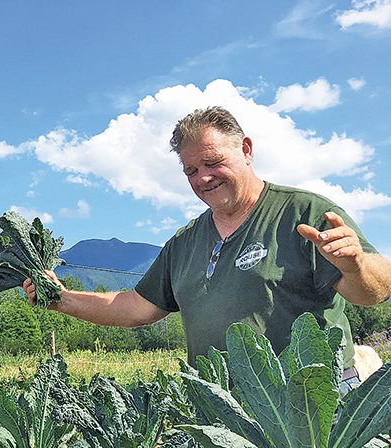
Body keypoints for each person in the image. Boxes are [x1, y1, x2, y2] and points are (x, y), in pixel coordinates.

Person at [24, 106, 391, 395]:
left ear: (246, 150)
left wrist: (355, 265)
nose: (202, 178)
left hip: (311, 399)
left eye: (213, 162)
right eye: (191, 170)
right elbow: (135, 307)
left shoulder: (303, 213)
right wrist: (61, 299)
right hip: (222, 406)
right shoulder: (184, 243)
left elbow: (375, 292)